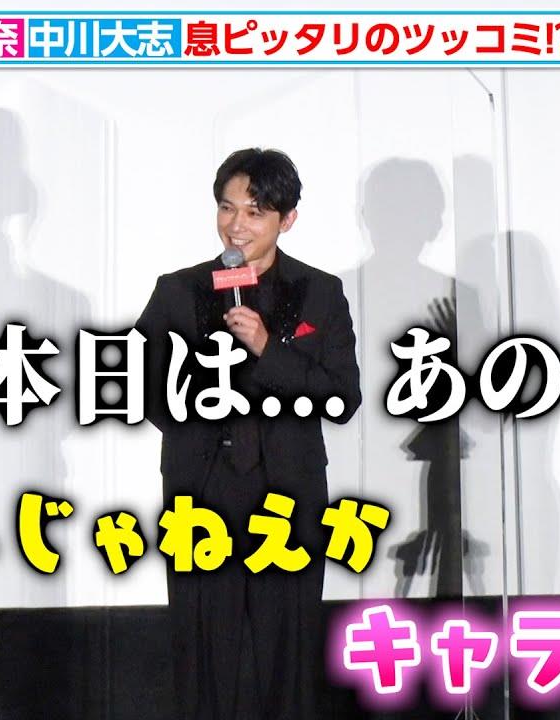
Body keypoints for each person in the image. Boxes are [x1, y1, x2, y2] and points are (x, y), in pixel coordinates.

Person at [136, 148, 361, 719]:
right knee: (201, 653)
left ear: (287, 219)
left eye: (255, 212)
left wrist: (267, 349)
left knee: (288, 654)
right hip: (202, 490)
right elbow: (140, 385)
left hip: (287, 491)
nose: (236, 224)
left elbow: (342, 399)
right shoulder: (178, 290)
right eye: (227, 207)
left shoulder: (320, 293)